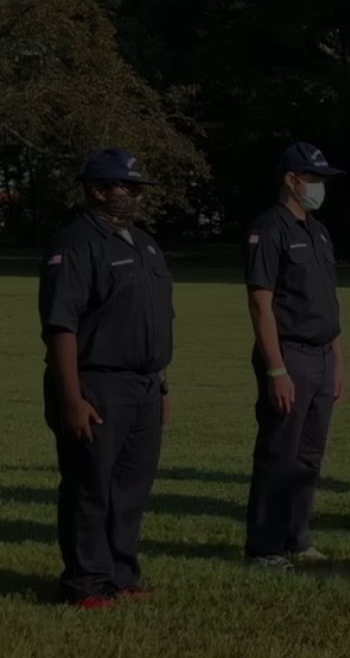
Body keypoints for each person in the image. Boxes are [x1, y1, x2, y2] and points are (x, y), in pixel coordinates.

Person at [38, 148, 174, 607]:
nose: (135, 196)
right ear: (97, 190)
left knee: (130, 489)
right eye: (127, 187)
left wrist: (162, 384)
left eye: (138, 189)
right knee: (89, 487)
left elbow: (154, 319)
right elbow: (62, 325)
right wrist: (71, 397)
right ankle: (85, 583)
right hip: (97, 382)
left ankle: (121, 576)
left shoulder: (146, 243)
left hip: (144, 385)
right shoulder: (76, 244)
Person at [242, 142, 347, 570]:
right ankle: (264, 547)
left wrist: (337, 362)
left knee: (308, 455)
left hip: (322, 356)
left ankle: (297, 537)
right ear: (291, 180)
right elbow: (260, 302)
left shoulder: (318, 231)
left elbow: (330, 302)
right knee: (278, 452)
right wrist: (276, 369)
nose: (320, 187)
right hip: (290, 354)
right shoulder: (269, 230)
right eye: (314, 178)